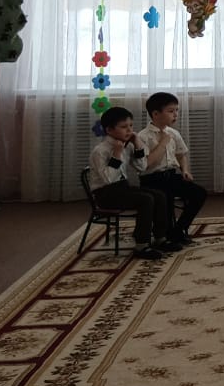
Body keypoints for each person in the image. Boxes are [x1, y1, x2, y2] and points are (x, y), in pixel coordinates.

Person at [88, 106, 177, 260]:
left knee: (159, 195)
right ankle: (141, 245)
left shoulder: (127, 145)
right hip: (106, 194)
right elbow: (109, 179)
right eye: (124, 127)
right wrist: (116, 154)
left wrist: (137, 145)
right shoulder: (100, 151)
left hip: (122, 188)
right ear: (109, 130)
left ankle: (160, 238)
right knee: (145, 200)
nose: (129, 130)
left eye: (130, 125)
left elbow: (141, 167)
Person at [137, 92, 206, 245]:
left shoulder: (173, 133)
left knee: (199, 193)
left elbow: (181, 154)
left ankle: (179, 229)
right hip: (152, 179)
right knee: (165, 201)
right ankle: (164, 235)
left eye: (176, 110)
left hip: (171, 176)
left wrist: (185, 170)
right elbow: (146, 164)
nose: (175, 114)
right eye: (170, 111)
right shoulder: (143, 137)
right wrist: (162, 143)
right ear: (156, 114)